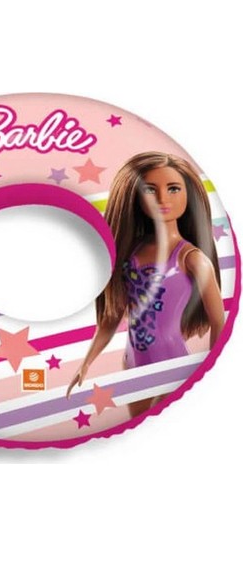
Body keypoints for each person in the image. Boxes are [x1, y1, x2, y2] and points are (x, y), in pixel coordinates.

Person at [66, 151, 224, 417]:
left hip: (171, 363)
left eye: (173, 188)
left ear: (189, 194)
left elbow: (218, 321)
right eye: (150, 189)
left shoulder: (192, 258)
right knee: (137, 428)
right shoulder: (129, 251)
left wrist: (212, 371)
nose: (163, 199)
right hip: (132, 363)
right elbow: (112, 316)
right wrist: (86, 363)